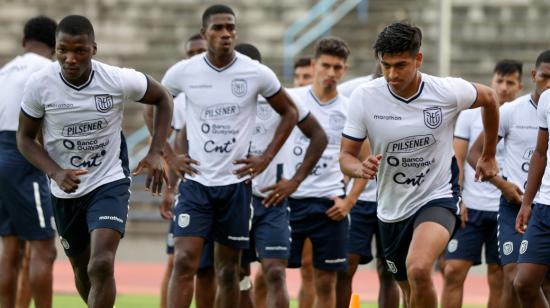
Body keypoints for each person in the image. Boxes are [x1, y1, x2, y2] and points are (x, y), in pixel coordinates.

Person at [339, 22, 499, 308]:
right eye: (385, 65)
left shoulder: (446, 91)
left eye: (400, 65)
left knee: (419, 268)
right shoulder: (364, 97)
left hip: (437, 196)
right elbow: (346, 156)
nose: (391, 74)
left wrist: (488, 155)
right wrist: (358, 169)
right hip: (391, 207)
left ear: (418, 59)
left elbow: (490, 98)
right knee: (409, 293)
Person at [17, 15, 172, 308]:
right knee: (83, 269)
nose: (70, 58)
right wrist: (55, 171)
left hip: (108, 179)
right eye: (63, 50)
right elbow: (24, 140)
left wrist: (155, 152)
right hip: (65, 189)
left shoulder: (115, 78)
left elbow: (163, 97)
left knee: (100, 264)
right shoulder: (40, 85)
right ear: (56, 48)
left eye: (80, 50)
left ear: (94, 49)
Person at [161, 5, 298, 307]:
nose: (225, 33)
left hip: (236, 188)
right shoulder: (184, 71)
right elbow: (153, 105)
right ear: (204, 33)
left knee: (228, 272)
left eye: (230, 28)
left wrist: (266, 158)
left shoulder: (254, 71)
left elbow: (290, 112)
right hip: (196, 185)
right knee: (184, 262)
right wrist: (168, 155)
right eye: (218, 28)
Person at [232, 43, 327, 308]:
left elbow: (319, 136)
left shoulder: (281, 99)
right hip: (231, 200)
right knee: (236, 275)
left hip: (269, 201)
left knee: (274, 271)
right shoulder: (221, 98)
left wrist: (295, 181)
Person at [469, 50, 550, 308]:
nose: (547, 84)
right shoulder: (511, 111)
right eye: (544, 77)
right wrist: (502, 184)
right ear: (533, 75)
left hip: (544, 202)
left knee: (542, 282)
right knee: (513, 275)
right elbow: (475, 153)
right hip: (516, 205)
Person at [441, 59, 523, 308]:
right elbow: (458, 157)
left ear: (520, 86)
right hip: (472, 207)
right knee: (453, 270)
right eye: (500, 81)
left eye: (511, 82)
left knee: (499, 277)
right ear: (491, 81)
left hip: (504, 209)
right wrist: (458, 199)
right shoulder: (470, 115)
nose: (504, 87)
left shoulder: (524, 116)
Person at [283, 37, 352, 308]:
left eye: (338, 67)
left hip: (328, 204)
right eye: (326, 66)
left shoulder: (349, 109)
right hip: (289, 200)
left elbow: (364, 156)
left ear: (345, 69)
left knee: (325, 281)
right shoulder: (291, 99)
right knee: (271, 273)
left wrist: (349, 199)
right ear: (314, 65)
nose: (332, 73)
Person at [147, 33, 208, 308]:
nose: (196, 58)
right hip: (190, 192)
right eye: (191, 53)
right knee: (176, 261)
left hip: (224, 188)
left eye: (200, 52)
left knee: (218, 265)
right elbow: (166, 138)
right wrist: (170, 186)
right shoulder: (181, 100)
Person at [0, 16, 57, 308]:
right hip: (24, 154)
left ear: (25, 42)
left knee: (11, 249)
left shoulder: (5, 70)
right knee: (44, 249)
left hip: (1, 153)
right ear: (56, 45)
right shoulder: (49, 70)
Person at [335, 65, 400, 308]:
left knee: (390, 270)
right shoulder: (358, 97)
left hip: (394, 201)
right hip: (360, 203)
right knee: (346, 266)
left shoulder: (409, 108)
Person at [514, 52, 550, 308]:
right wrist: (527, 203)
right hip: (545, 205)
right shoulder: (547, 100)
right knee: (524, 283)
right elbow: (540, 152)